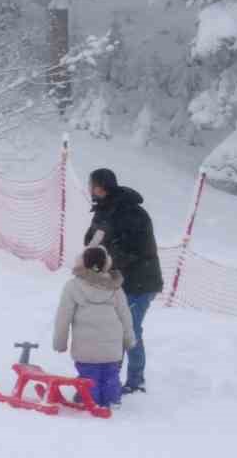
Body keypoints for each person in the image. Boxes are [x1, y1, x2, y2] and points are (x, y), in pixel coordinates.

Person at [84, 168, 164, 394]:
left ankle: (135, 381)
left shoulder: (132, 213)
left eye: (92, 184)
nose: (89, 188)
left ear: (101, 186)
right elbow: (91, 240)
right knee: (115, 328)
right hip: (120, 281)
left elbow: (140, 250)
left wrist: (108, 258)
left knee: (129, 330)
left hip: (141, 282)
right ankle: (111, 377)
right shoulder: (104, 210)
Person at [53, 246, 138, 408]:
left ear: (83, 263)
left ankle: (90, 400)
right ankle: (112, 399)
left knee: (89, 375)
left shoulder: (73, 286)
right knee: (111, 374)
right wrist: (128, 339)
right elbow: (125, 316)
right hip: (112, 346)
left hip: (86, 346)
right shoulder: (115, 287)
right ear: (106, 264)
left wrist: (60, 342)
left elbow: (63, 317)